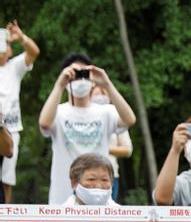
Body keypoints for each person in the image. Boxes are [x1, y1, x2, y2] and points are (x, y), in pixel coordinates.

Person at [38, 53, 135, 205]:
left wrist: (106, 84)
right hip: (62, 196)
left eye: (84, 73)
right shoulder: (58, 112)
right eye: (74, 74)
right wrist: (59, 85)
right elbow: (44, 123)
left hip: (97, 195)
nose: (79, 80)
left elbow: (129, 119)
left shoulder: (105, 112)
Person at [0, 20, 41, 222]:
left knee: (8, 175)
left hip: (8, 128)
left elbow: (34, 51)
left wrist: (19, 36)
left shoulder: (14, 67)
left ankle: (8, 215)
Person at [90, 83, 133, 201]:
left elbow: (128, 150)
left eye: (103, 94)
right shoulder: (82, 118)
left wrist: (103, 148)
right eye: (96, 94)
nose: (100, 97)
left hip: (109, 176)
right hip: (85, 176)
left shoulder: (115, 118)